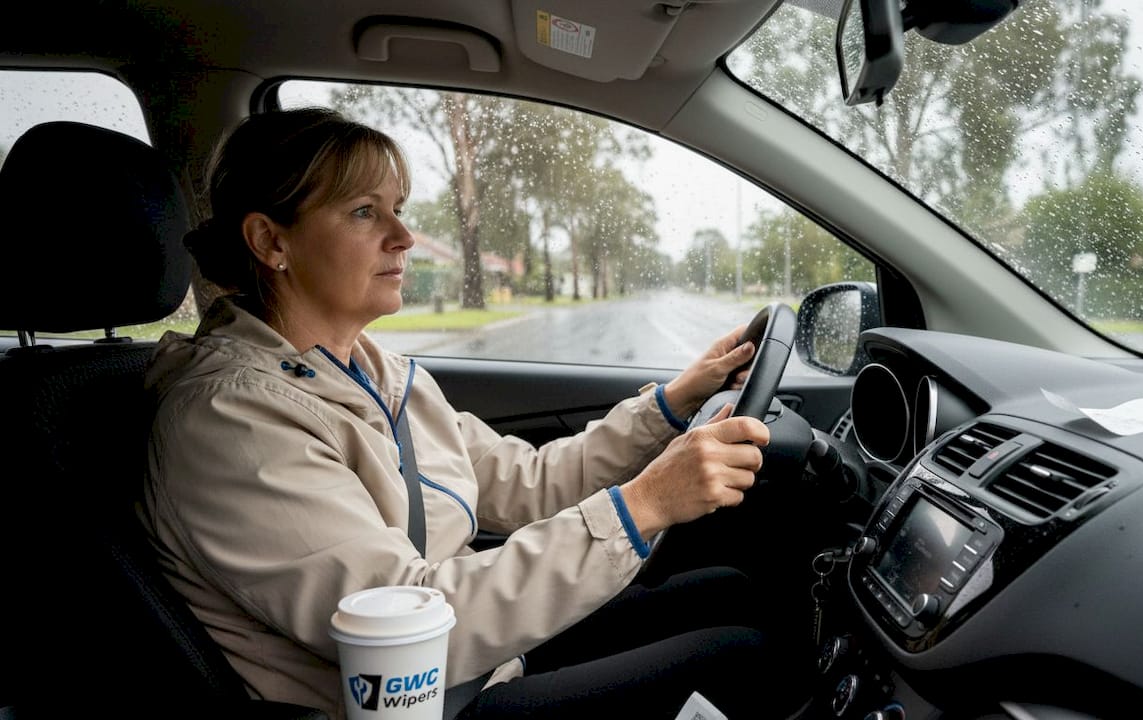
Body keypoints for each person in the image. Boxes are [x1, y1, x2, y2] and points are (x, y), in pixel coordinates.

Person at [140, 107, 812, 720]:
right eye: (365, 213)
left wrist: (673, 404)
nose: (405, 237)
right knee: (741, 659)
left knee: (728, 590)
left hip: (475, 665)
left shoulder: (374, 373)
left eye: (398, 209)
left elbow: (531, 483)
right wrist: (642, 507)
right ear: (270, 240)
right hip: (421, 701)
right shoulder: (230, 421)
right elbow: (406, 632)